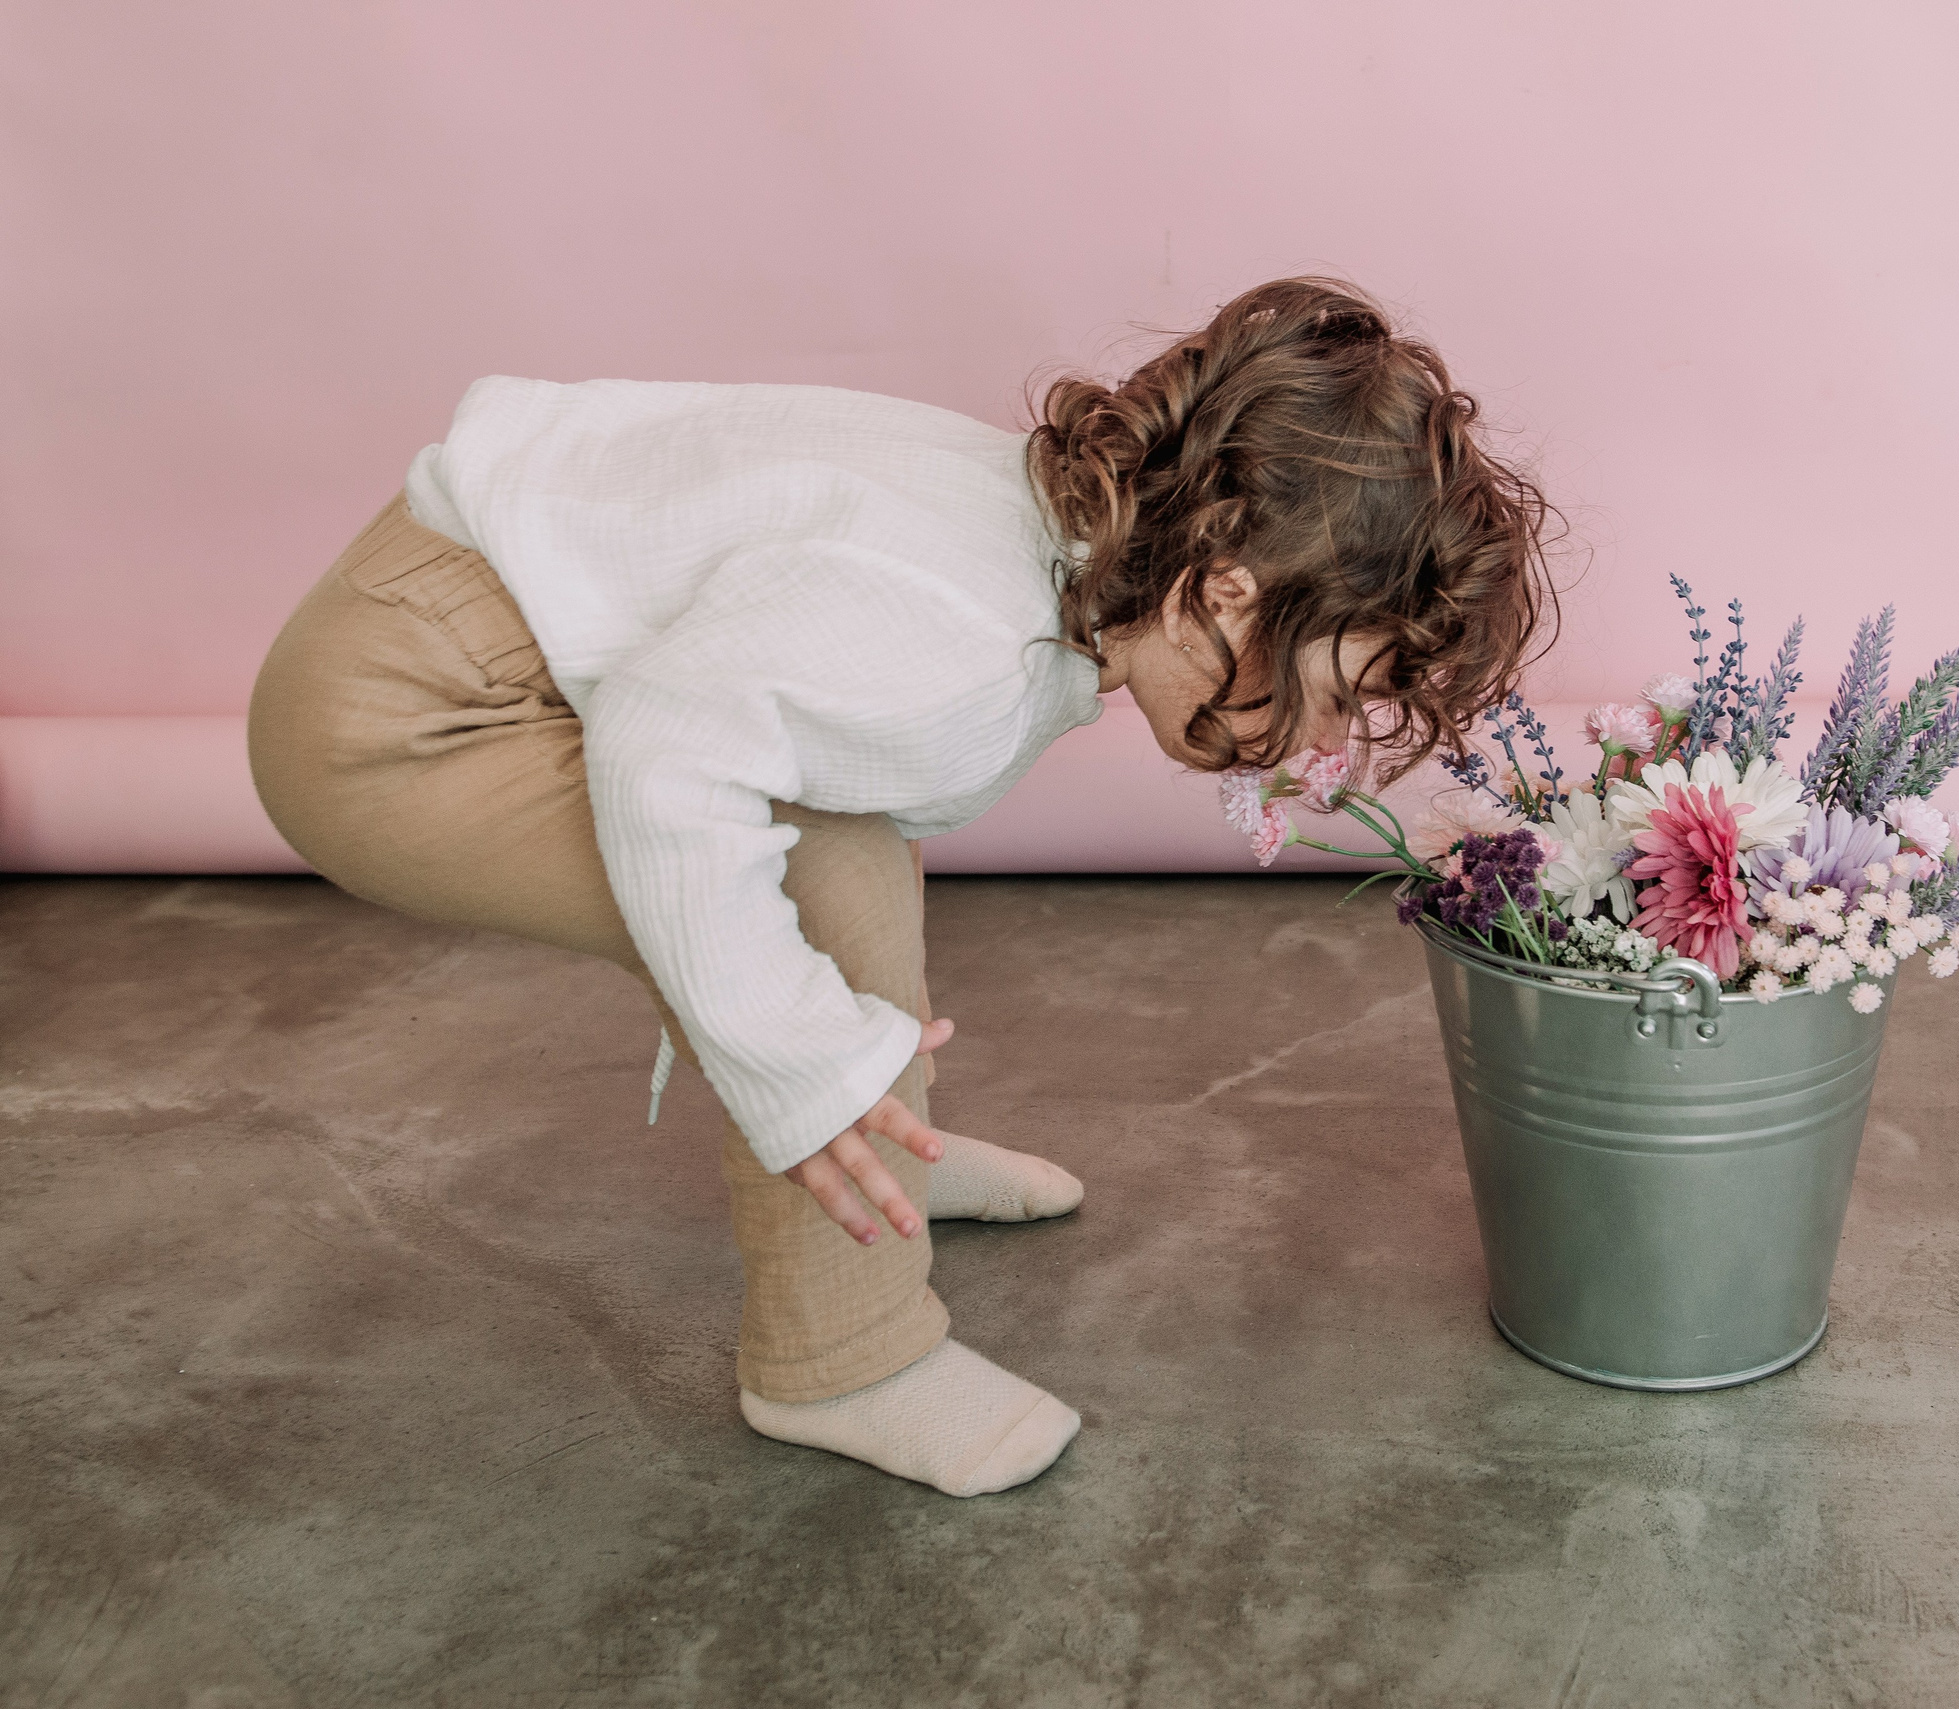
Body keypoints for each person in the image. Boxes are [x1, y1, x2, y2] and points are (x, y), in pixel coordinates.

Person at [247, 277, 1557, 1497]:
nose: (1321, 747)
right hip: (399, 708)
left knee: (833, 815)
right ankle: (844, 1354)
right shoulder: (958, 640)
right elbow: (664, 740)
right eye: (1332, 695)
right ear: (1224, 589)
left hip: (467, 613)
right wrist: (799, 1065)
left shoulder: (1036, 544)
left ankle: (875, 1133)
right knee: (819, 875)